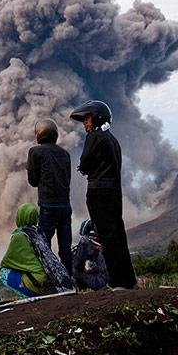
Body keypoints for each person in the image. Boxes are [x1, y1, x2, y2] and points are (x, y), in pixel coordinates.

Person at [70, 100, 137, 290]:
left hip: (98, 191)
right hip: (114, 191)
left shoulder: (94, 137)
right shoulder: (112, 139)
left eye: (87, 117)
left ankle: (115, 281)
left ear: (97, 116)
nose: (84, 122)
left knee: (105, 236)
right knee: (118, 234)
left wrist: (83, 169)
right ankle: (129, 280)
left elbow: (85, 161)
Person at [0, 203, 72, 299]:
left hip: (35, 280)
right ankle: (43, 286)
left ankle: (31, 296)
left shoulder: (19, 236)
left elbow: (8, 260)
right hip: (50, 277)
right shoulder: (39, 233)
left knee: (3, 272)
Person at [26, 118, 73, 275]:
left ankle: (49, 278)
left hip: (48, 206)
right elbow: (68, 178)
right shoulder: (65, 154)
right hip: (66, 205)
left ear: (39, 134)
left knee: (44, 245)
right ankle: (68, 279)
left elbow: (33, 181)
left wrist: (30, 169)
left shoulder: (35, 152)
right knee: (65, 245)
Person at [71, 219, 109, 291]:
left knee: (73, 268)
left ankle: (82, 291)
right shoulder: (105, 236)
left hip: (101, 281)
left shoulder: (85, 240)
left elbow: (78, 264)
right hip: (115, 279)